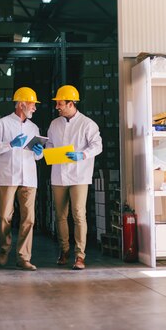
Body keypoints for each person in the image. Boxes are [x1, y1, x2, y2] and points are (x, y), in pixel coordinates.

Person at [0, 87, 44, 271]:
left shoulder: (33, 128)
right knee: (4, 216)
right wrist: (10, 144)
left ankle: (23, 257)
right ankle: (4, 250)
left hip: (28, 177)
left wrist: (39, 153)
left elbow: (37, 156)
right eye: (32, 104)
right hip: (7, 177)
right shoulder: (2, 124)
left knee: (29, 219)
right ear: (22, 104)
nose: (34, 108)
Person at [46, 85, 102, 270]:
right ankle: (64, 250)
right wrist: (44, 151)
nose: (57, 107)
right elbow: (50, 146)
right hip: (58, 175)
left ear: (71, 104)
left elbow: (97, 146)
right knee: (60, 216)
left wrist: (82, 155)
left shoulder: (87, 124)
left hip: (79, 175)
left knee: (79, 214)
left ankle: (80, 256)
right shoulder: (55, 124)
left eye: (60, 104)